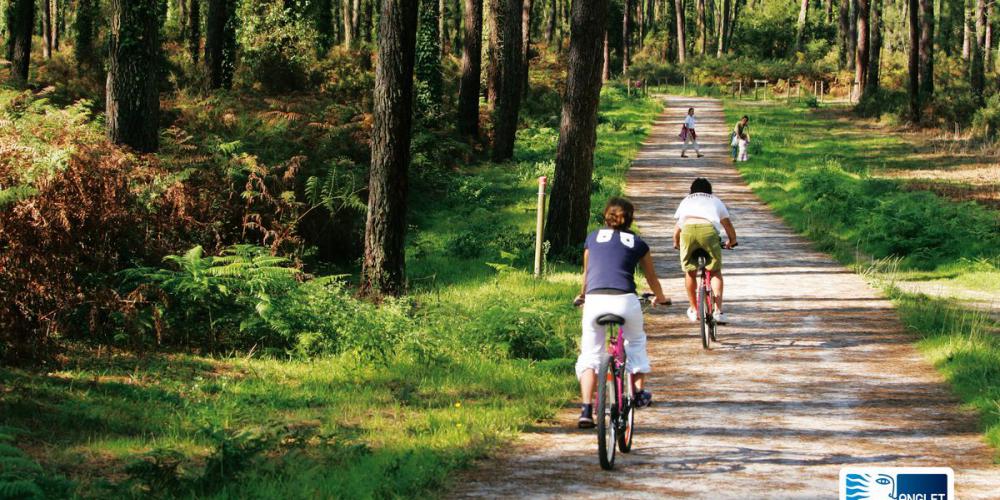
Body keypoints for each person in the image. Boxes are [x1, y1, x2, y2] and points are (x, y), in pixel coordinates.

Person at [575, 197, 670, 428]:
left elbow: (587, 274)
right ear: (631, 218)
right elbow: (651, 277)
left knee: (590, 353)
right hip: (625, 301)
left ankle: (587, 410)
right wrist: (661, 297)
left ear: (606, 217)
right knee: (635, 341)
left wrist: (582, 295)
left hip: (595, 301)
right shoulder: (637, 243)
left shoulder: (592, 238)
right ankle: (637, 393)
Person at [672, 178, 737, 325]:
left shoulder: (686, 200)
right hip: (708, 231)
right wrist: (732, 240)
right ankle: (718, 311)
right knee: (715, 271)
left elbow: (678, 227)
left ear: (691, 190)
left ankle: (694, 310)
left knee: (689, 271)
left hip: (688, 231)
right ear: (710, 190)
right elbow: (727, 224)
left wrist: (676, 243)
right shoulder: (715, 200)